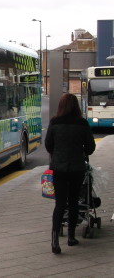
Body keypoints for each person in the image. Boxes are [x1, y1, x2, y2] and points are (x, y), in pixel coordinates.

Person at [45, 93, 96, 254]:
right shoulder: (82, 123)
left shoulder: (54, 122)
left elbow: (48, 145)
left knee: (60, 203)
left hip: (59, 168)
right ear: (76, 106)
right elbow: (90, 148)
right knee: (73, 201)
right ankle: (71, 237)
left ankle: (54, 240)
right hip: (77, 168)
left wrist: (58, 154)